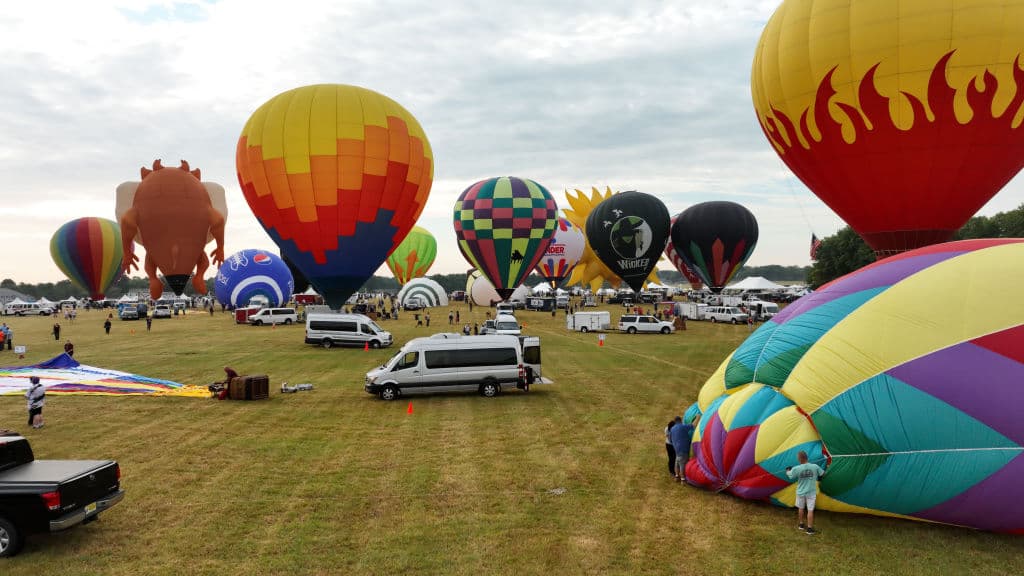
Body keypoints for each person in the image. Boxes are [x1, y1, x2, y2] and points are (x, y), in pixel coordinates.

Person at [786, 451, 826, 535]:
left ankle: (801, 524)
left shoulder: (796, 468)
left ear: (799, 459)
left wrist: (788, 470)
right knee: (810, 510)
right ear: (807, 457)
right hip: (811, 492)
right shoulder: (815, 466)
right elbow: (823, 474)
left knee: (801, 508)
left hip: (800, 492)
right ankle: (809, 529)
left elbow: (790, 476)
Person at [670, 416, 695, 482]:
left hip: (676, 449)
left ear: (675, 421)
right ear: (680, 421)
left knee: (677, 462)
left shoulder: (672, 429)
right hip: (683, 449)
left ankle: (676, 476)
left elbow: (670, 439)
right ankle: (683, 479)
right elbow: (693, 425)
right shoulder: (683, 426)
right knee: (682, 464)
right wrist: (698, 417)